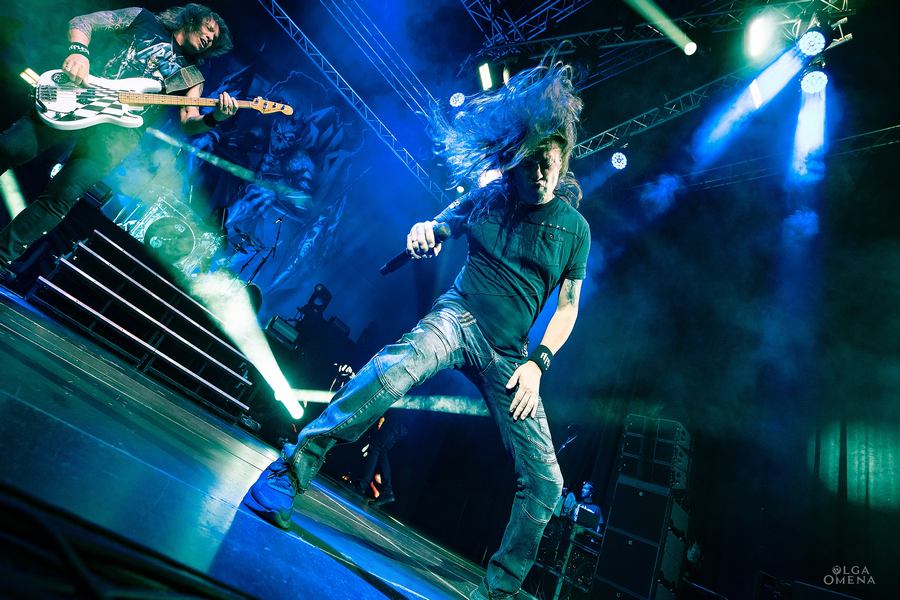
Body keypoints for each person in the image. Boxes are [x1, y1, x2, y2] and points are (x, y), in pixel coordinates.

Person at [242, 60, 589, 600]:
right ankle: (289, 472)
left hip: (511, 354)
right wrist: (423, 231)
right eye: (528, 166)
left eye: (548, 164)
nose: (539, 176)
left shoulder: (575, 230)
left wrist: (537, 363)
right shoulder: (491, 195)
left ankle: (499, 591)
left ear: (562, 159)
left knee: (547, 484)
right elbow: (435, 226)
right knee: (391, 374)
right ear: (512, 162)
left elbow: (567, 308)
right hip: (459, 318)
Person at [0, 4, 237, 276]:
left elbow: (189, 122)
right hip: (80, 97)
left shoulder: (192, 76)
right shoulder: (142, 18)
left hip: (118, 134)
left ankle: (2, 256)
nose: (210, 38)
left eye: (214, 39)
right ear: (193, 19)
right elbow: (83, 21)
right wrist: (79, 53)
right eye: (209, 28)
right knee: (9, 148)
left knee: (61, 197)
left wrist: (216, 117)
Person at [353, 414, 408, 507]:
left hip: (398, 420)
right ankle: (387, 491)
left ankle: (362, 485)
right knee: (382, 451)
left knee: (375, 447)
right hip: (403, 425)